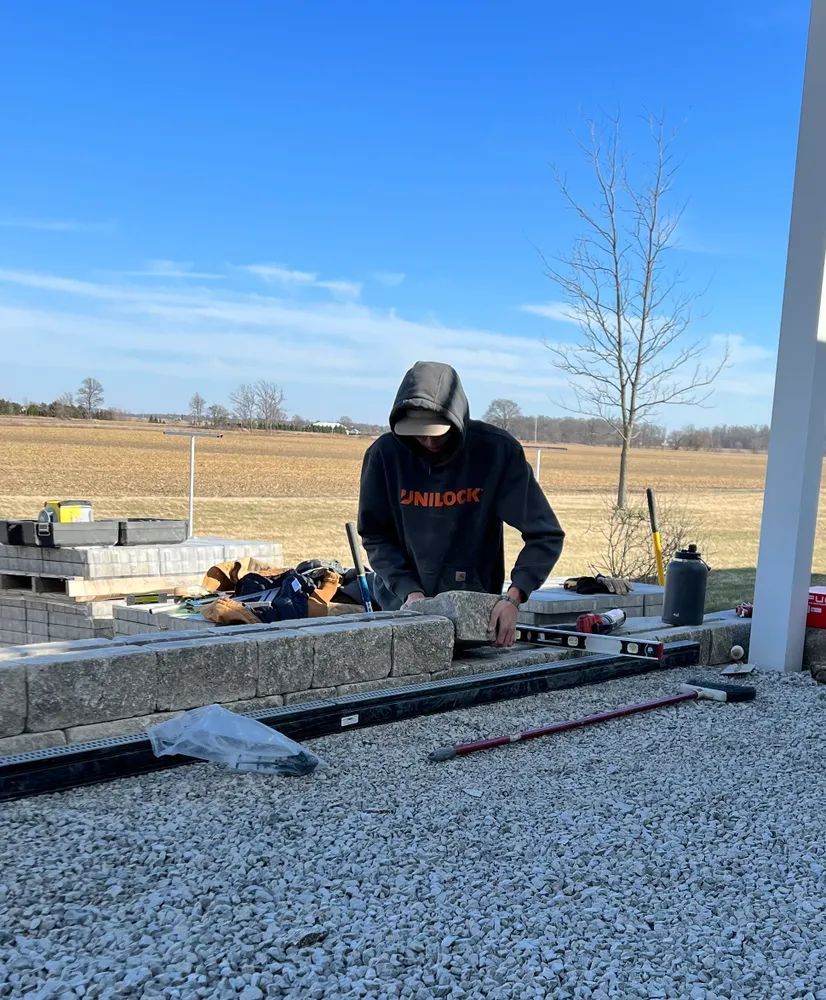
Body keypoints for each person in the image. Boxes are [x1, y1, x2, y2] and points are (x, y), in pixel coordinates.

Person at [357, 361, 564, 647]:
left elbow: (545, 535)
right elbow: (376, 535)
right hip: (401, 606)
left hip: (475, 613)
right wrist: (409, 592)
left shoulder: (495, 452)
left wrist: (514, 598)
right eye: (419, 433)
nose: (429, 442)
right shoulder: (384, 456)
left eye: (437, 432)